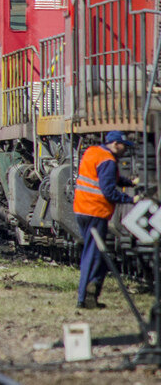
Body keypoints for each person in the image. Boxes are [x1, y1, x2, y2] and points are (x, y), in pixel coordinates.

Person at [73, 130, 139, 309]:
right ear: (116, 144)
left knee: (99, 255)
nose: (125, 151)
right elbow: (108, 191)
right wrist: (131, 199)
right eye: (124, 147)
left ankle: (91, 295)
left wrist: (129, 182)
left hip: (82, 210)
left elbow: (105, 178)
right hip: (95, 212)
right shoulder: (108, 161)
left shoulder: (92, 152)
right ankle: (83, 299)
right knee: (93, 255)